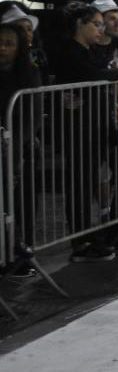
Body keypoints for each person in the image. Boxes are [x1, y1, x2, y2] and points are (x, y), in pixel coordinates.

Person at [55, 2, 118, 262]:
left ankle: (89, 234)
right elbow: (96, 75)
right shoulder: (70, 53)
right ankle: (81, 240)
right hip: (78, 130)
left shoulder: (89, 51)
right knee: (80, 185)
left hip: (94, 127)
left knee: (89, 182)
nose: (101, 28)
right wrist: (114, 73)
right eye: (95, 24)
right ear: (79, 25)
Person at [0, 23, 42, 277]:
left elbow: (31, 114)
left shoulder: (28, 72)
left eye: (8, 43)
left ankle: (19, 250)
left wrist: (18, 144)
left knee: (20, 202)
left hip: (18, 147)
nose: (2, 48)